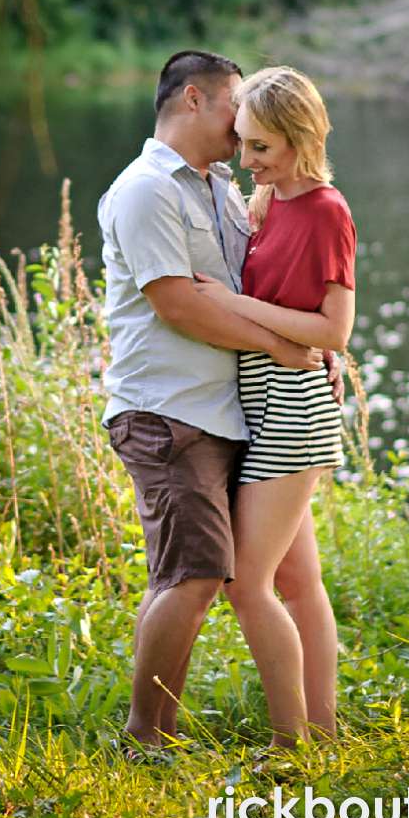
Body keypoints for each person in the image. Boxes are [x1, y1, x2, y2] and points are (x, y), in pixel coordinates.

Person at [97, 50, 342, 752]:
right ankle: (147, 736)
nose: (243, 124)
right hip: (171, 411)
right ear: (195, 99)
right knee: (193, 572)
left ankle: (315, 734)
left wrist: (317, 346)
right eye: (235, 105)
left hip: (235, 412)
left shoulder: (223, 188)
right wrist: (283, 347)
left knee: (274, 574)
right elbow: (179, 305)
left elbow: (264, 290)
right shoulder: (146, 190)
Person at [196, 64, 354, 744]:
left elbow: (334, 330)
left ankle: (293, 743)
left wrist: (233, 304)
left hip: (294, 402)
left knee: (247, 581)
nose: (246, 158)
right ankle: (324, 731)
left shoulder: (326, 208)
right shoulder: (266, 202)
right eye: (242, 142)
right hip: (259, 395)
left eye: (261, 146)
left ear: (298, 137)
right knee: (297, 579)